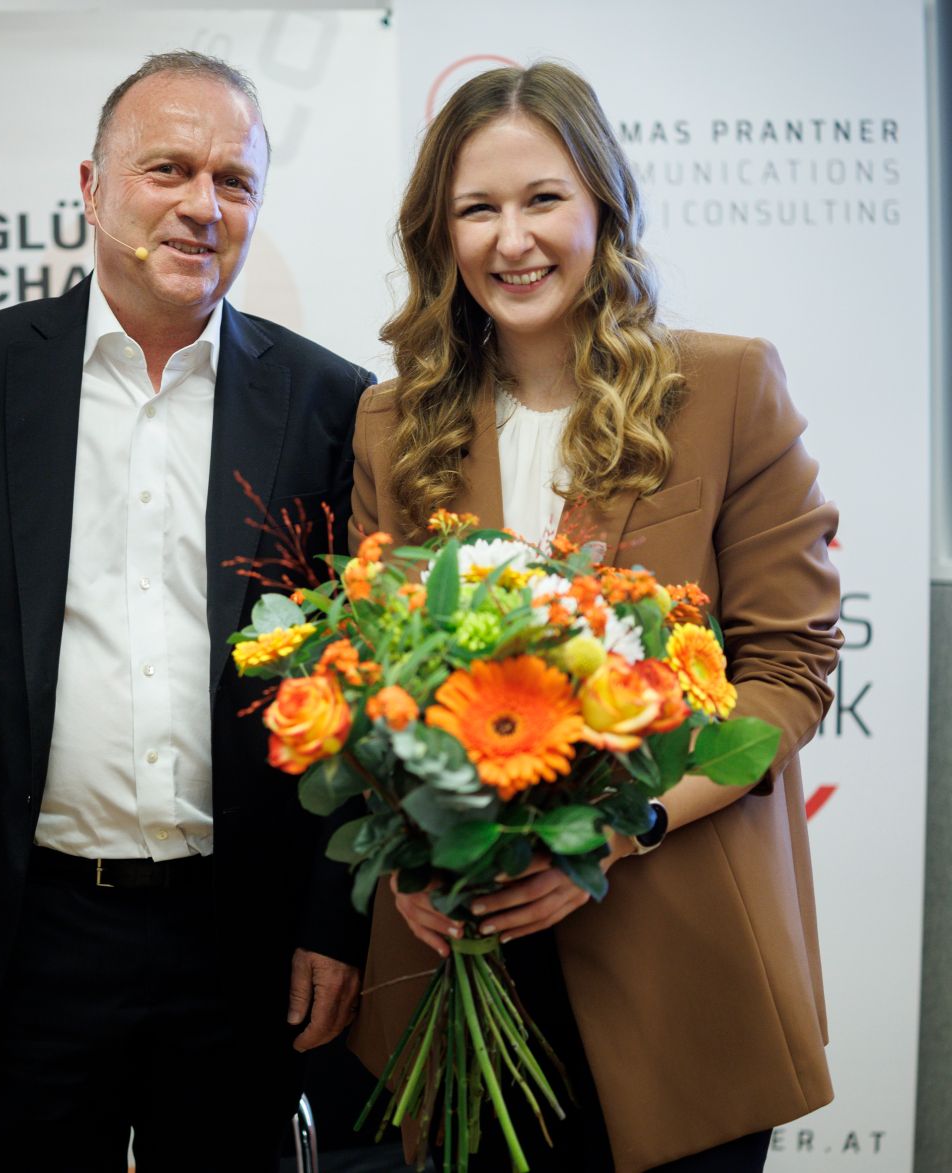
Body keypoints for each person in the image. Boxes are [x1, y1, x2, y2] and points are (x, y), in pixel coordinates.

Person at [347, 61, 839, 1172]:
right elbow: (363, 684)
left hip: (675, 966)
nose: (510, 239)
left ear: (601, 209)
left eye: (541, 199)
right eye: (476, 209)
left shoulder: (723, 389)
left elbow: (786, 674)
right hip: (463, 970)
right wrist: (412, 868)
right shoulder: (390, 424)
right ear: (440, 234)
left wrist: (624, 829)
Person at [0, 50, 372, 1170]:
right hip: (29, 929)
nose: (202, 207)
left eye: (234, 180)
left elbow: (361, 697)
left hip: (242, 938)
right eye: (167, 168)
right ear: (91, 185)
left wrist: (331, 922)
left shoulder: (331, 404)